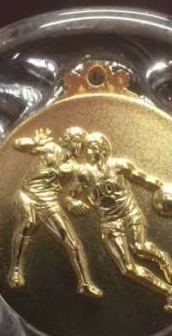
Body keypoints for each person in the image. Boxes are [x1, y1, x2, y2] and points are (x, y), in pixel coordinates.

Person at [65, 132, 172, 312]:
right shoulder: (84, 174)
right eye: (86, 149)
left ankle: (162, 258)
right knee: (127, 269)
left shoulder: (119, 165)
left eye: (92, 148)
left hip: (130, 213)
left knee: (139, 247)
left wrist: (162, 186)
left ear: (102, 149)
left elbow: (142, 178)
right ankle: (171, 292)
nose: (87, 152)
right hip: (109, 222)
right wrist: (73, 203)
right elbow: (70, 196)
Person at [7, 127, 102, 298]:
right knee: (29, 222)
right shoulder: (51, 148)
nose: (79, 146)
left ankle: (85, 283)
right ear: (68, 140)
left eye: (82, 143)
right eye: (77, 141)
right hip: (28, 195)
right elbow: (18, 144)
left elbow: (73, 195)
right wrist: (35, 142)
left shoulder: (76, 168)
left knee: (72, 242)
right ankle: (15, 270)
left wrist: (74, 202)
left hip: (49, 202)